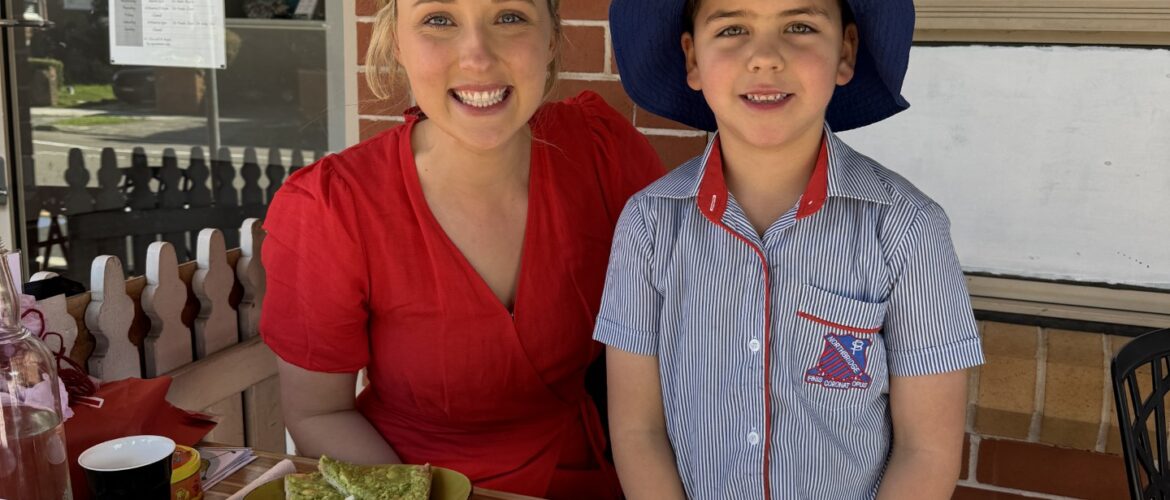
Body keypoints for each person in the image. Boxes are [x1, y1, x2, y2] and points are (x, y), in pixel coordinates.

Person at [258, 0, 664, 498]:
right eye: (439, 20)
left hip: (599, 472)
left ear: (551, 40)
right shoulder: (330, 209)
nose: (477, 56)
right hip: (417, 483)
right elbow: (319, 411)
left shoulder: (603, 153)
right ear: (397, 44)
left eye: (510, 16)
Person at [596, 0, 985, 498]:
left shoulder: (908, 230)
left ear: (845, 51)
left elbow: (925, 451)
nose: (765, 56)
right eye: (733, 28)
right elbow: (638, 431)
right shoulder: (648, 225)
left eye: (799, 26)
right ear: (693, 58)